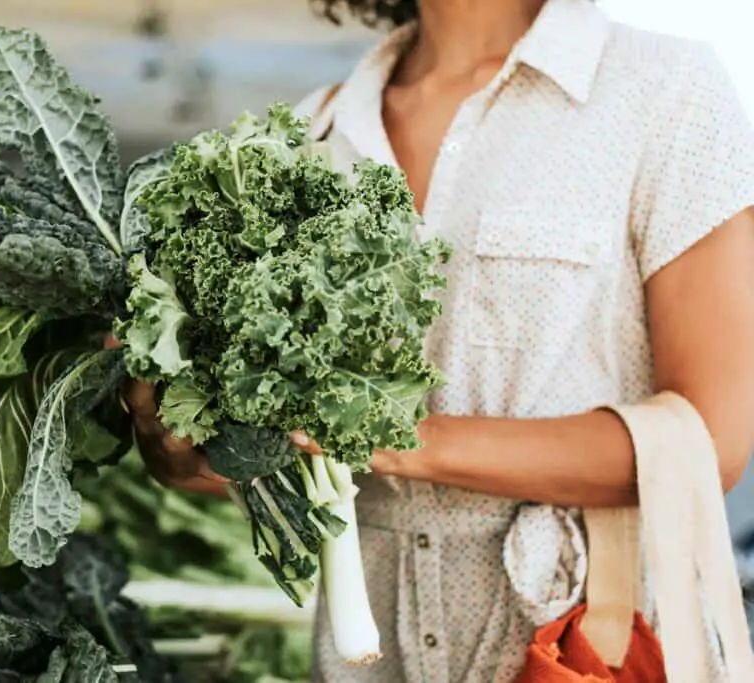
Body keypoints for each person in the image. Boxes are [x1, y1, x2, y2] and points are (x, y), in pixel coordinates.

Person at [122, 0, 754, 680]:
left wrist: (403, 439)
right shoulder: (313, 131)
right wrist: (185, 445)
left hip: (589, 649)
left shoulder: (664, 91)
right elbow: (261, 465)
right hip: (363, 663)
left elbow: (708, 440)